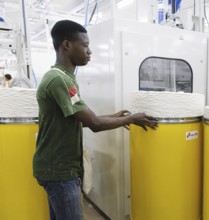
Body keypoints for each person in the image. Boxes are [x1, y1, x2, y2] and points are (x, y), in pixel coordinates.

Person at [32, 20, 158, 220]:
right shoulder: (59, 80)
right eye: (85, 45)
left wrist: (115, 116)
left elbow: (78, 119)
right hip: (60, 171)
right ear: (67, 45)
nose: (89, 51)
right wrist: (133, 118)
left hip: (57, 168)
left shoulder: (65, 78)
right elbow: (95, 124)